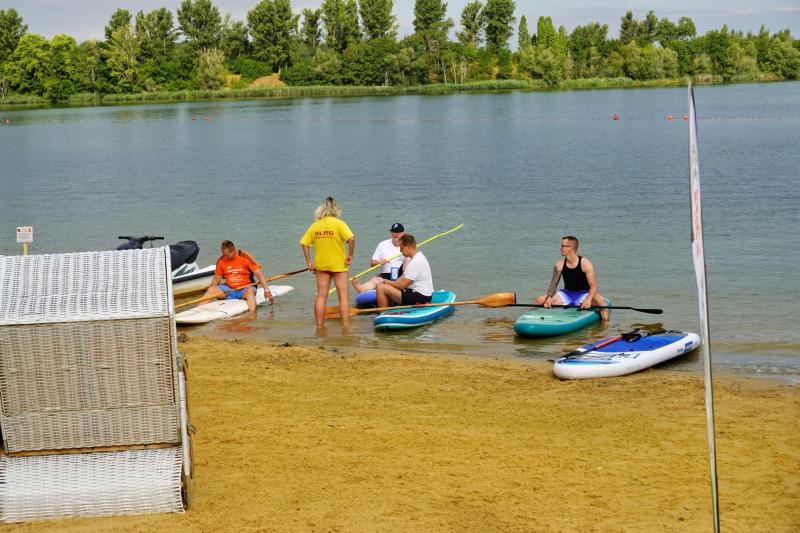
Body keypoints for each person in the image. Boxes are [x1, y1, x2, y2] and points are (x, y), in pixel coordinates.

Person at [300, 197, 356, 328]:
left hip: (322, 265)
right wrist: (350, 255)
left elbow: (304, 243)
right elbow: (352, 239)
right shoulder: (339, 223)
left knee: (321, 296)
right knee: (343, 297)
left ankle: (319, 326)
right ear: (336, 210)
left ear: (321, 209)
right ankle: (345, 327)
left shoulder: (315, 225)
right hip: (339, 265)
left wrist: (309, 261)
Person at [534, 235, 609, 320]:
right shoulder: (559, 264)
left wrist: (588, 299)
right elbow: (553, 285)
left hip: (584, 294)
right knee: (540, 300)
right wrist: (549, 297)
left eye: (563, 246)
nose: (560, 248)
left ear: (571, 248)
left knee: (601, 301)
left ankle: (605, 323)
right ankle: (530, 319)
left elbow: (593, 286)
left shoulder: (585, 263)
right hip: (566, 295)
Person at [201, 241, 273, 312]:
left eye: (227, 255)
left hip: (245, 289)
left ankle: (252, 315)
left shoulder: (244, 256)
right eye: (223, 255)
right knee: (211, 289)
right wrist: (213, 292)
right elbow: (216, 279)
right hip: (229, 290)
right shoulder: (221, 260)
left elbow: (259, 274)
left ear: (233, 251)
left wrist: (266, 290)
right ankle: (198, 310)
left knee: (250, 292)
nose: (225, 257)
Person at [375, 234, 433, 308]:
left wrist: (387, 282)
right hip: (416, 293)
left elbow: (401, 285)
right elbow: (402, 279)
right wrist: (390, 283)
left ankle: (383, 312)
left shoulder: (417, 261)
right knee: (387, 285)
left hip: (421, 297)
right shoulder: (417, 257)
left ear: (408, 247)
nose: (400, 251)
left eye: (401, 248)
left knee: (380, 288)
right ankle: (389, 308)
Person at [352, 222, 406, 293]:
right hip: (387, 274)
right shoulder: (382, 245)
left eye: (398, 232)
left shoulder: (407, 246)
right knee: (375, 280)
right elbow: (372, 263)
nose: (395, 234)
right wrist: (379, 262)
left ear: (403, 233)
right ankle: (362, 288)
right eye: (393, 232)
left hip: (403, 275)